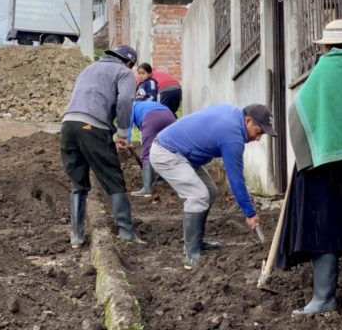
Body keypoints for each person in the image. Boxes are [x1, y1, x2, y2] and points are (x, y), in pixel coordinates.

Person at [275, 19, 342, 315]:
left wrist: (304, 156)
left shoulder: (324, 69)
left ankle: (324, 298)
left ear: (326, 46)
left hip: (325, 167)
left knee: (323, 226)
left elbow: (299, 109)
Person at [150, 103, 276, 269]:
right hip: (167, 153)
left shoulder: (232, 114)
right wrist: (250, 213)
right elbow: (236, 179)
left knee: (210, 191)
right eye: (258, 132)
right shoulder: (232, 136)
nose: (258, 138)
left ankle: (198, 241)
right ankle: (191, 253)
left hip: (183, 154)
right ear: (247, 120)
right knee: (198, 196)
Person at [60, 44, 145, 248]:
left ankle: (77, 236)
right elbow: (125, 100)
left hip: (68, 125)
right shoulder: (124, 72)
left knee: (78, 184)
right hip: (93, 125)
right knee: (113, 178)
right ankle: (125, 231)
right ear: (129, 63)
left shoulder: (88, 69)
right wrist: (123, 133)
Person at [127, 100, 176, 197]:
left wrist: (127, 140)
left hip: (152, 118)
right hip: (169, 115)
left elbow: (127, 125)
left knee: (146, 153)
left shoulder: (128, 107)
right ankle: (162, 181)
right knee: (168, 150)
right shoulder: (143, 104)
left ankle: (147, 188)